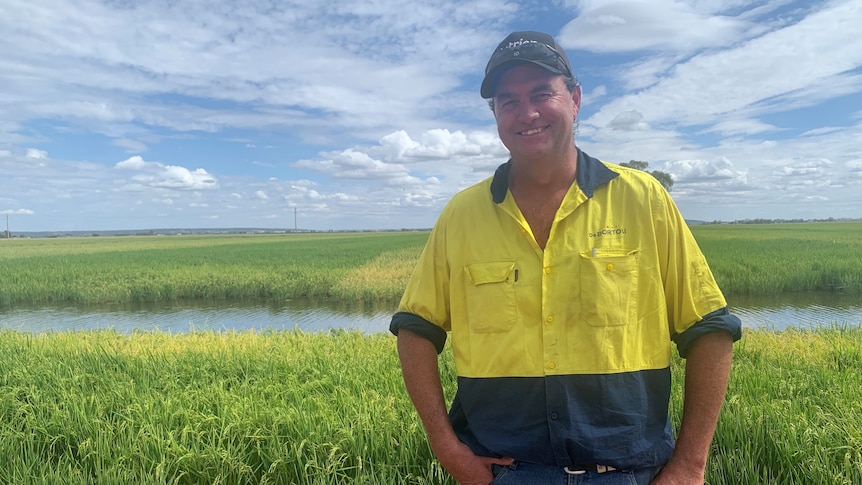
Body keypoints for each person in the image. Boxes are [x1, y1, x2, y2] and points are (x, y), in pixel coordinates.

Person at [389, 30, 742, 485]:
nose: (527, 112)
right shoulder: (462, 215)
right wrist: (448, 450)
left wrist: (691, 465)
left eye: (542, 93)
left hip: (629, 473)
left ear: (575, 99)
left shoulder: (642, 199)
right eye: (508, 101)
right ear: (495, 113)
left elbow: (709, 328)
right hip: (504, 473)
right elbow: (415, 330)